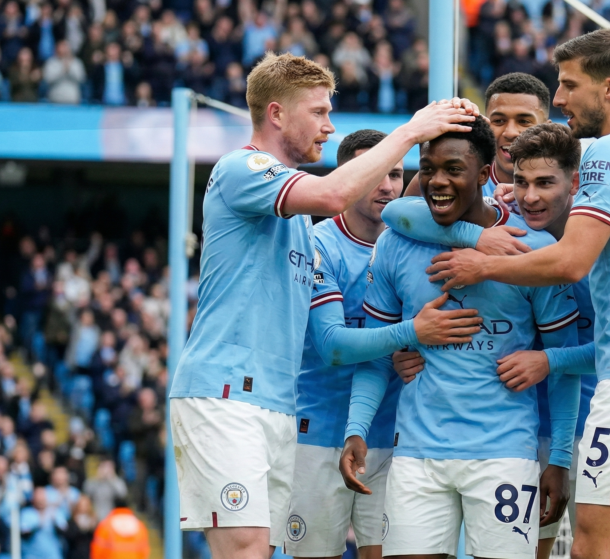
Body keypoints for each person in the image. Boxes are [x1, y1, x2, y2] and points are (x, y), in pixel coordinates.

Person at [167, 52, 480, 559]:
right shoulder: (243, 167)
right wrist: (410, 132)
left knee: (258, 550)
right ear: (276, 114)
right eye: (318, 112)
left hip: (276, 404)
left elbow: (400, 212)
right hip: (225, 393)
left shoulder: (297, 221)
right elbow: (335, 196)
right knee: (245, 549)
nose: (328, 126)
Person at [422, 29, 610, 559]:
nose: (559, 99)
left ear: (609, 88)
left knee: (594, 547)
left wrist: (484, 265)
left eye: (568, 85)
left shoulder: (609, 152)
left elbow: (570, 261)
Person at [379, 122, 610, 559]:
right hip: (488, 432)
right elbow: (395, 213)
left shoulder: (602, 249)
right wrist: (404, 343)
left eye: (544, 183)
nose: (529, 196)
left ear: (574, 183)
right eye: (521, 182)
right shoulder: (496, 229)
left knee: (607, 549)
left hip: (598, 415)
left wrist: (550, 363)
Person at [339, 116, 581, 559]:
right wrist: (356, 429)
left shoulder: (533, 247)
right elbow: (376, 354)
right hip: (417, 454)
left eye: (453, 169)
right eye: (428, 169)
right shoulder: (395, 243)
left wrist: (560, 459)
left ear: (485, 174)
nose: (437, 181)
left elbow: (564, 360)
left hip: (505, 452)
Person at [286, 129, 419, 559]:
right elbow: (333, 347)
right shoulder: (319, 245)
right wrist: (413, 334)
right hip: (321, 430)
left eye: (395, 174)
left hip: (393, 435)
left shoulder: (411, 246)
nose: (387, 186)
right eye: (375, 173)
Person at [404, 72, 552, 200]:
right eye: (499, 121)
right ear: (486, 123)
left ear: (547, 128)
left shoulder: (563, 184)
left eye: (524, 122)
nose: (510, 132)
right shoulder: (464, 175)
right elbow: (402, 214)